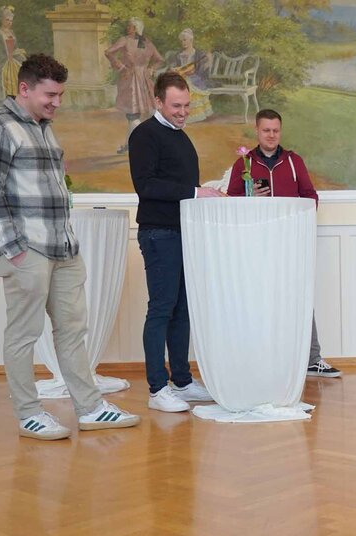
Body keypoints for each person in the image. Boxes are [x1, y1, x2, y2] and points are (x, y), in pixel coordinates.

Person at [0, 54, 140, 440]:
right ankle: (29, 414)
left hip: (63, 248)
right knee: (23, 334)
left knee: (72, 330)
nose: (57, 103)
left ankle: (91, 408)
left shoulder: (44, 128)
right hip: (26, 250)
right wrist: (14, 249)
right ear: (25, 88)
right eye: (50, 95)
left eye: (60, 95)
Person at [129, 71, 226, 412]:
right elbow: (147, 187)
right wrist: (197, 192)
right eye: (176, 106)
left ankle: (181, 381)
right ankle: (157, 389)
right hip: (158, 234)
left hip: (183, 233)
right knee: (161, 309)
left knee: (182, 309)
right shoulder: (144, 135)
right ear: (157, 101)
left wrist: (204, 190)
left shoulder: (181, 136)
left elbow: (180, 184)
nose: (183, 112)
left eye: (186, 105)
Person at [227, 109, 341, 378]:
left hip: (290, 243)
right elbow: (229, 202)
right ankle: (258, 359)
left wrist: (295, 217)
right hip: (255, 245)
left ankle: (312, 359)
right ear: (257, 131)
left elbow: (310, 196)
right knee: (256, 300)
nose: (271, 135)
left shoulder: (293, 162)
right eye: (266, 130)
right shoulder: (243, 164)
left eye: (276, 130)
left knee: (299, 298)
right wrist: (248, 194)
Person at [105, 17, 164, 154]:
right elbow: (159, 60)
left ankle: (136, 146)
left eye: (130, 26)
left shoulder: (126, 40)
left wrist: (120, 67)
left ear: (136, 28)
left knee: (134, 114)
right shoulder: (146, 42)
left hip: (132, 79)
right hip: (143, 78)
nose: (128, 28)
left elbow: (108, 52)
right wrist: (150, 69)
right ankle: (131, 145)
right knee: (137, 114)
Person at [165, 28, 214, 123]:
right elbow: (174, 67)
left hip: (196, 79)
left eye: (185, 40)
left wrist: (209, 61)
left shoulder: (198, 54)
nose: (183, 42)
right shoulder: (179, 54)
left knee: (187, 84)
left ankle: (191, 114)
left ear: (191, 40)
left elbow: (203, 70)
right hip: (180, 77)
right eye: (181, 41)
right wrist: (174, 69)